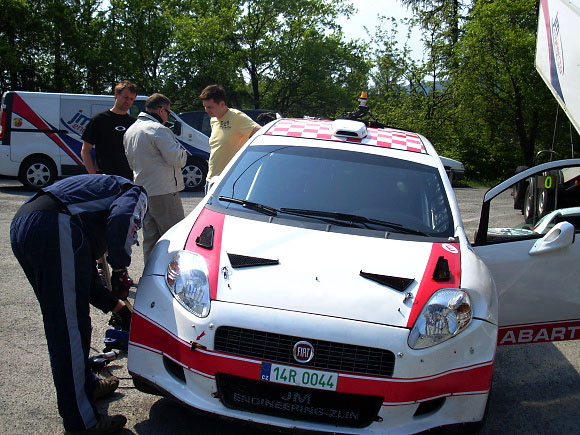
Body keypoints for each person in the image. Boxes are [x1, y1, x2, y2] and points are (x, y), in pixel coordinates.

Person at [10, 174, 148, 434]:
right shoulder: (134, 191)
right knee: (68, 328)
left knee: (70, 319)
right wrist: (120, 267)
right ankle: (83, 424)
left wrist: (117, 306)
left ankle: (86, 386)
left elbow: (85, 282)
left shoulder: (89, 203)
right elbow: (122, 220)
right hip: (53, 225)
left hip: (27, 224)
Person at [124, 93, 187, 263]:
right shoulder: (158, 130)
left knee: (150, 240)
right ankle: (171, 279)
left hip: (143, 191)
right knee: (173, 238)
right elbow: (176, 159)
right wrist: (183, 153)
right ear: (161, 110)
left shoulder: (131, 130)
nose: (167, 116)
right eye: (168, 112)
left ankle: (149, 278)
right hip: (164, 192)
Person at [199, 84, 260, 183]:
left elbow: (260, 133)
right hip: (212, 179)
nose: (206, 110)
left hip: (231, 180)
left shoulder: (237, 117)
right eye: (205, 107)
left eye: (210, 107)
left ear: (222, 104)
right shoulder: (213, 120)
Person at [81, 80, 138, 181]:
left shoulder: (134, 123)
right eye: (126, 97)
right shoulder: (99, 120)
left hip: (129, 180)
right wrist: (93, 176)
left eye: (131, 99)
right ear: (116, 95)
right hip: (105, 178)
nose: (128, 101)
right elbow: (85, 150)